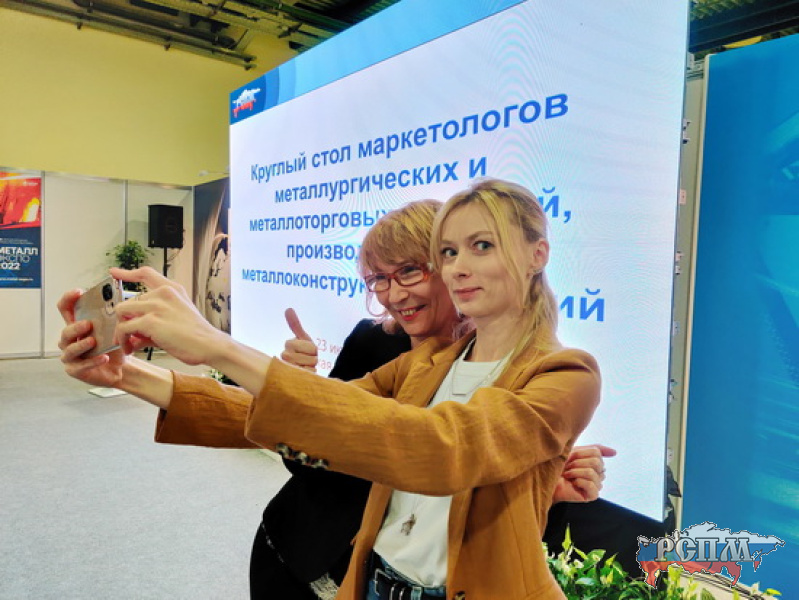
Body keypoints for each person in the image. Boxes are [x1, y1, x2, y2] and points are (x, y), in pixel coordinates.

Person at [58, 178, 601, 599]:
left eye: (481, 246)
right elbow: (295, 419)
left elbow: (439, 447)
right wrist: (129, 374)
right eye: (450, 253)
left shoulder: (567, 372)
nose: (459, 268)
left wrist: (218, 346)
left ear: (537, 254)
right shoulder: (430, 360)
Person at [253, 200, 613, 599]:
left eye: (410, 271)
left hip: (382, 577)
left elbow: (501, 529)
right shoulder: (371, 341)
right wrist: (301, 396)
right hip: (299, 551)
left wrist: (545, 487)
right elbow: (303, 462)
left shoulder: (529, 370)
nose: (394, 294)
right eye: (379, 279)